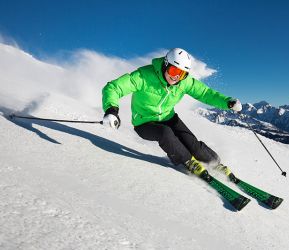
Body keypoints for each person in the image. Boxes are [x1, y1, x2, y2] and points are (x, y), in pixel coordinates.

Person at [102, 48, 242, 178]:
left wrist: (228, 102)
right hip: (144, 123)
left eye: (182, 74)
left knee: (192, 143)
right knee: (166, 134)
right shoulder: (143, 76)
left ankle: (215, 163)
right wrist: (111, 110)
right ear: (165, 64)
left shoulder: (183, 82)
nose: (176, 78)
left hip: (169, 117)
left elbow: (205, 93)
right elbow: (114, 88)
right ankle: (188, 162)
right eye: (174, 71)